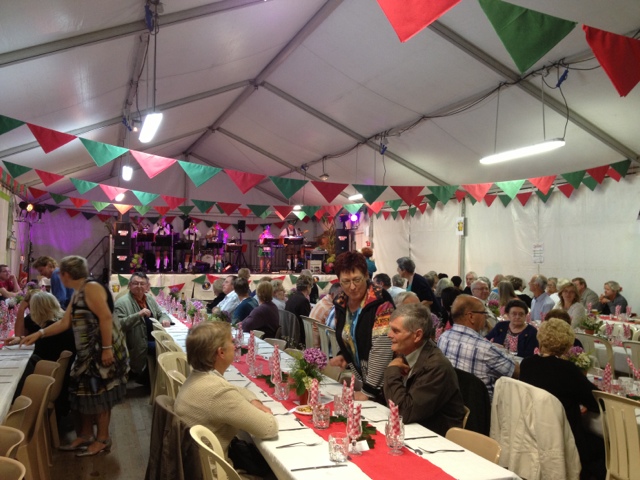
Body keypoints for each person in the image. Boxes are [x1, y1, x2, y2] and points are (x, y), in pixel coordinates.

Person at [21, 255, 129, 456]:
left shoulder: (92, 288)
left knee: (100, 393)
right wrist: (39, 333)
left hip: (100, 350)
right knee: (82, 392)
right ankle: (85, 435)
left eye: (60, 273)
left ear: (66, 274)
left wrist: (107, 348)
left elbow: (105, 317)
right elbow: (65, 322)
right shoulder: (80, 291)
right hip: (87, 352)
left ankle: (102, 439)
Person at [174, 322, 277, 476]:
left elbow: (237, 390)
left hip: (194, 468)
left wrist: (253, 400)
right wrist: (264, 411)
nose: (235, 347)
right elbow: (269, 428)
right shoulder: (218, 391)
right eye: (232, 342)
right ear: (221, 352)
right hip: (216, 474)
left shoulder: (198, 376)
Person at [519, 318, 604, 478]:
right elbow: (597, 402)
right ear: (567, 344)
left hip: (532, 431)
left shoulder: (527, 364)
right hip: (564, 436)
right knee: (602, 444)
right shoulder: (567, 370)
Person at [383, 304, 466, 436]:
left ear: (417, 335)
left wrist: (392, 371)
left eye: (396, 331)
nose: (389, 335)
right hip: (416, 430)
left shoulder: (436, 366)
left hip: (437, 438)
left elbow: (404, 412)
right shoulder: (405, 353)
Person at [330, 251, 395, 403]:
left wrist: (368, 391)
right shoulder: (341, 302)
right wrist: (344, 354)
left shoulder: (381, 301)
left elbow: (382, 349)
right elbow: (347, 334)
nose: (352, 287)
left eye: (357, 280)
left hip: (384, 386)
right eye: (346, 281)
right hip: (364, 378)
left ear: (366, 275)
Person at [437, 294, 518, 398]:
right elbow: (515, 372)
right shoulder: (485, 348)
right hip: (483, 404)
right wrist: (505, 354)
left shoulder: (443, 337)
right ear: (471, 316)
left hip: (453, 400)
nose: (486, 317)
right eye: (484, 313)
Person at [114, 272, 171, 380]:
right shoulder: (121, 303)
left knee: (171, 344)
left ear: (147, 286)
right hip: (137, 343)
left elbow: (161, 314)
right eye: (135, 283)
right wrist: (138, 315)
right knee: (166, 348)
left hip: (152, 338)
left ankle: (161, 379)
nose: (139, 286)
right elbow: (118, 325)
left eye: (142, 284)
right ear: (129, 285)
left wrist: (164, 319)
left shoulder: (149, 298)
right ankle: (154, 379)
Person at [285, 275, 312, 344]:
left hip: (289, 333)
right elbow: (307, 322)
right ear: (308, 287)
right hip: (299, 336)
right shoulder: (303, 301)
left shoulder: (291, 298)